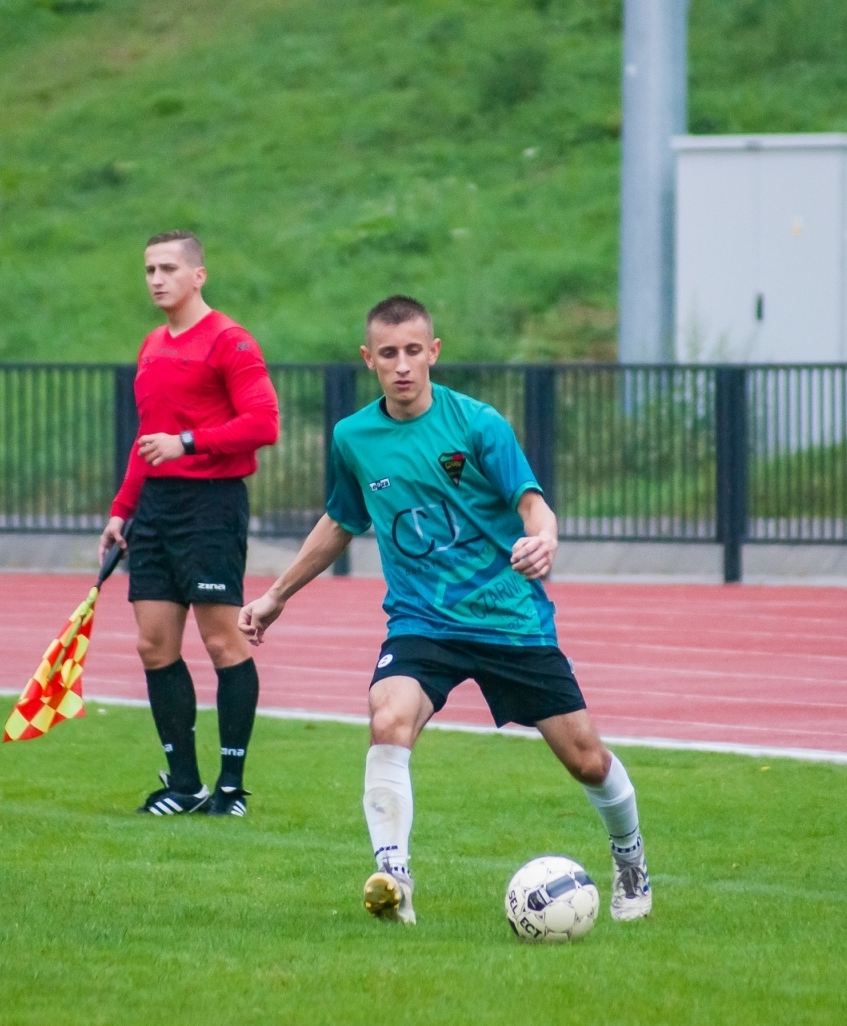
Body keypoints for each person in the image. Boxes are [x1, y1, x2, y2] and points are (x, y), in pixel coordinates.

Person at [239, 295, 651, 925]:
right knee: (389, 717)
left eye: (413, 351)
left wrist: (545, 539)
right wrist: (275, 595)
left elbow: (532, 503)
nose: (402, 365)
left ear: (433, 352)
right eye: (388, 354)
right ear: (368, 360)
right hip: (422, 622)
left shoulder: (478, 424)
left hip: (508, 617)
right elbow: (339, 522)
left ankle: (629, 857)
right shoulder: (353, 438)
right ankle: (394, 879)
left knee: (586, 759)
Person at [99, 231, 279, 817]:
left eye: (169, 268)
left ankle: (230, 789)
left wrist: (187, 442)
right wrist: (122, 510)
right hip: (155, 510)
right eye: (149, 268)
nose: (156, 278)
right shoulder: (152, 344)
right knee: (154, 645)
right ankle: (183, 784)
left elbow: (263, 424)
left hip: (210, 507)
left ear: (198, 275)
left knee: (223, 642)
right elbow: (147, 439)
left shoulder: (230, 342)